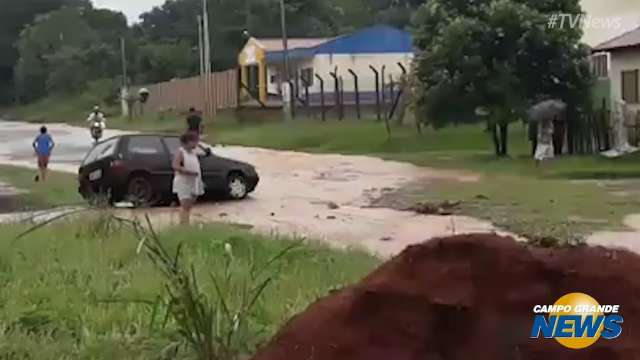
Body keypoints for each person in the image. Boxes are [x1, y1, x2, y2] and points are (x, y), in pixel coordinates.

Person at [172, 132, 205, 225]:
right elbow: (175, 166)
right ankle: (184, 225)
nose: (196, 144)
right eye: (194, 142)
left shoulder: (193, 152)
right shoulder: (181, 152)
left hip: (194, 181)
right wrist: (188, 172)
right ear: (188, 142)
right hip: (184, 182)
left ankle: (185, 223)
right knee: (185, 205)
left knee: (189, 206)